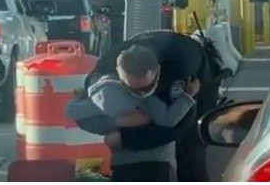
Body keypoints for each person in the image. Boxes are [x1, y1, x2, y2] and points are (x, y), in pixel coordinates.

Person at [73, 30, 225, 182]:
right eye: (132, 89)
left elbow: (178, 125)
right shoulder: (104, 72)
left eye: (145, 88)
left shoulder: (179, 69)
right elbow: (82, 116)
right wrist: (114, 122)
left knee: (190, 147)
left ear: (156, 72)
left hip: (197, 77)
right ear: (118, 76)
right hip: (142, 47)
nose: (140, 95)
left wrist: (126, 139)